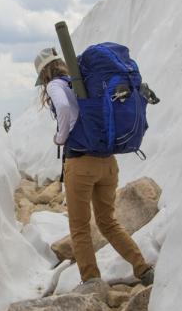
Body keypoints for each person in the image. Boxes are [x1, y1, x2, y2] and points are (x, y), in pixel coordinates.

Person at [34, 48, 153, 283]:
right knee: (108, 222)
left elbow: (65, 109)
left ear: (43, 74)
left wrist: (61, 136)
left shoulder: (55, 85)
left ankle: (91, 282)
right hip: (107, 163)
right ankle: (142, 268)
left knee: (79, 228)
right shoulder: (83, 81)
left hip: (80, 164)